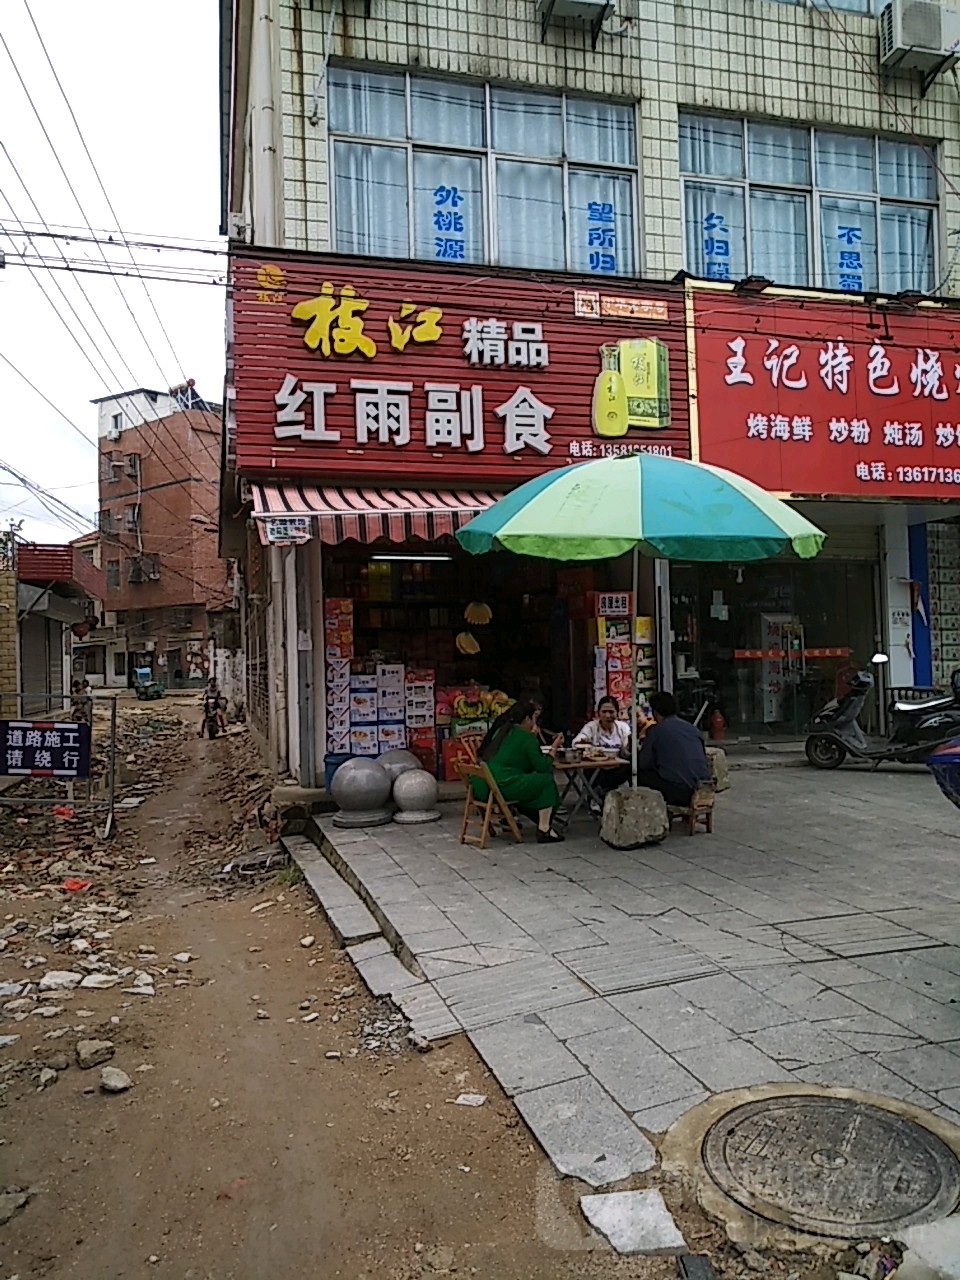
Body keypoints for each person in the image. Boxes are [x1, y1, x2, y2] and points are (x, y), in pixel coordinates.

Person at [473, 701, 565, 843]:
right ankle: (544, 828)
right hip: (502, 785)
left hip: (485, 785)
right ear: (527, 719)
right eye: (534, 718)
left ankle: (537, 819)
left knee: (531, 780)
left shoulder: (502, 732)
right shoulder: (527, 739)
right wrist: (554, 747)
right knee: (546, 782)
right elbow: (542, 766)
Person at [634, 690, 712, 806]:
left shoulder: (656, 731)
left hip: (680, 792)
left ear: (655, 712)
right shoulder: (692, 729)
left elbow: (643, 763)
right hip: (704, 789)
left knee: (637, 774)